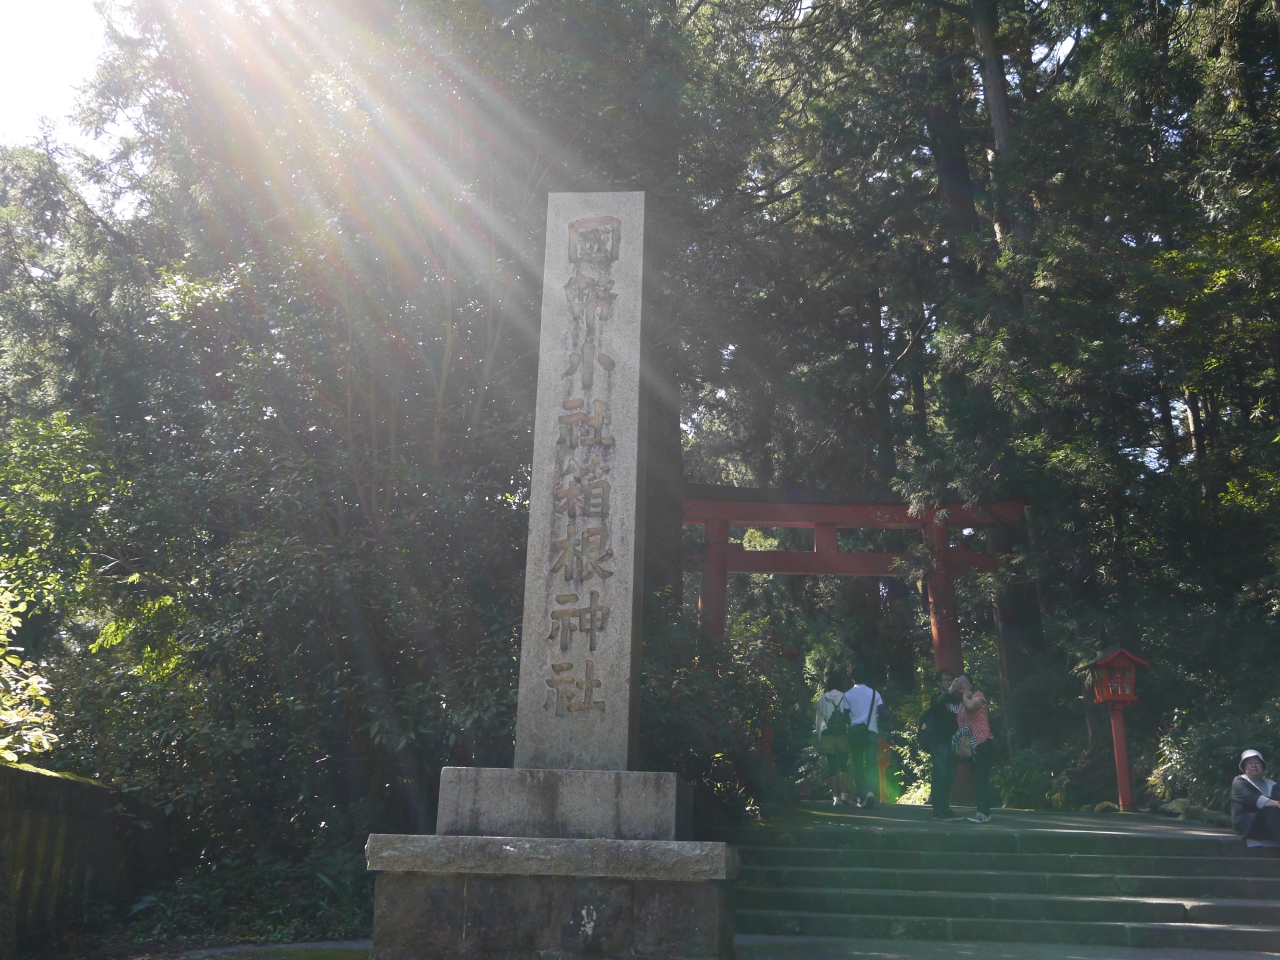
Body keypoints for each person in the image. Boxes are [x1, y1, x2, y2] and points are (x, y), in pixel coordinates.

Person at [919, 669, 963, 821]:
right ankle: (937, 809)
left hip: (953, 742)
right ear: (938, 682)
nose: (948, 682)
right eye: (945, 680)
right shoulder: (936, 698)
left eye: (950, 679)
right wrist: (950, 691)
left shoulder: (957, 701)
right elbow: (937, 704)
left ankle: (945, 807)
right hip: (939, 742)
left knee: (950, 775)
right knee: (940, 774)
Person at [951, 675, 995, 823]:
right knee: (978, 778)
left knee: (982, 778)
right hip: (971, 746)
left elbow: (971, 707)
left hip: (983, 742)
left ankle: (984, 813)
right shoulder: (961, 703)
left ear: (970, 684)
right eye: (957, 683)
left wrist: (964, 696)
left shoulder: (978, 696)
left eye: (963, 683)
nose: (961, 685)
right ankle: (982, 811)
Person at [844, 667, 885, 809]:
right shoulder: (875, 694)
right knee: (871, 764)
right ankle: (870, 791)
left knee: (858, 765)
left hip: (855, 733)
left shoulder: (847, 695)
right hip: (871, 732)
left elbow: (845, 716)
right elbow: (883, 713)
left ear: (852, 679)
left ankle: (861, 796)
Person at [814, 672, 852, 806]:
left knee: (832, 766)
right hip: (842, 734)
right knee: (844, 764)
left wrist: (819, 736)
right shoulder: (845, 697)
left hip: (827, 734)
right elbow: (849, 716)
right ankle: (845, 794)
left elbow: (819, 720)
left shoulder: (823, 699)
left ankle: (836, 798)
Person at [1232, 749, 1280, 846]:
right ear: (1244, 767)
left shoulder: (1272, 785)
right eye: (1249, 763)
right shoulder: (1239, 782)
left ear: (1263, 766)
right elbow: (1251, 798)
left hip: (1268, 826)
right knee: (1269, 809)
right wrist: (1274, 803)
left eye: (1257, 762)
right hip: (1248, 825)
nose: (1253, 765)